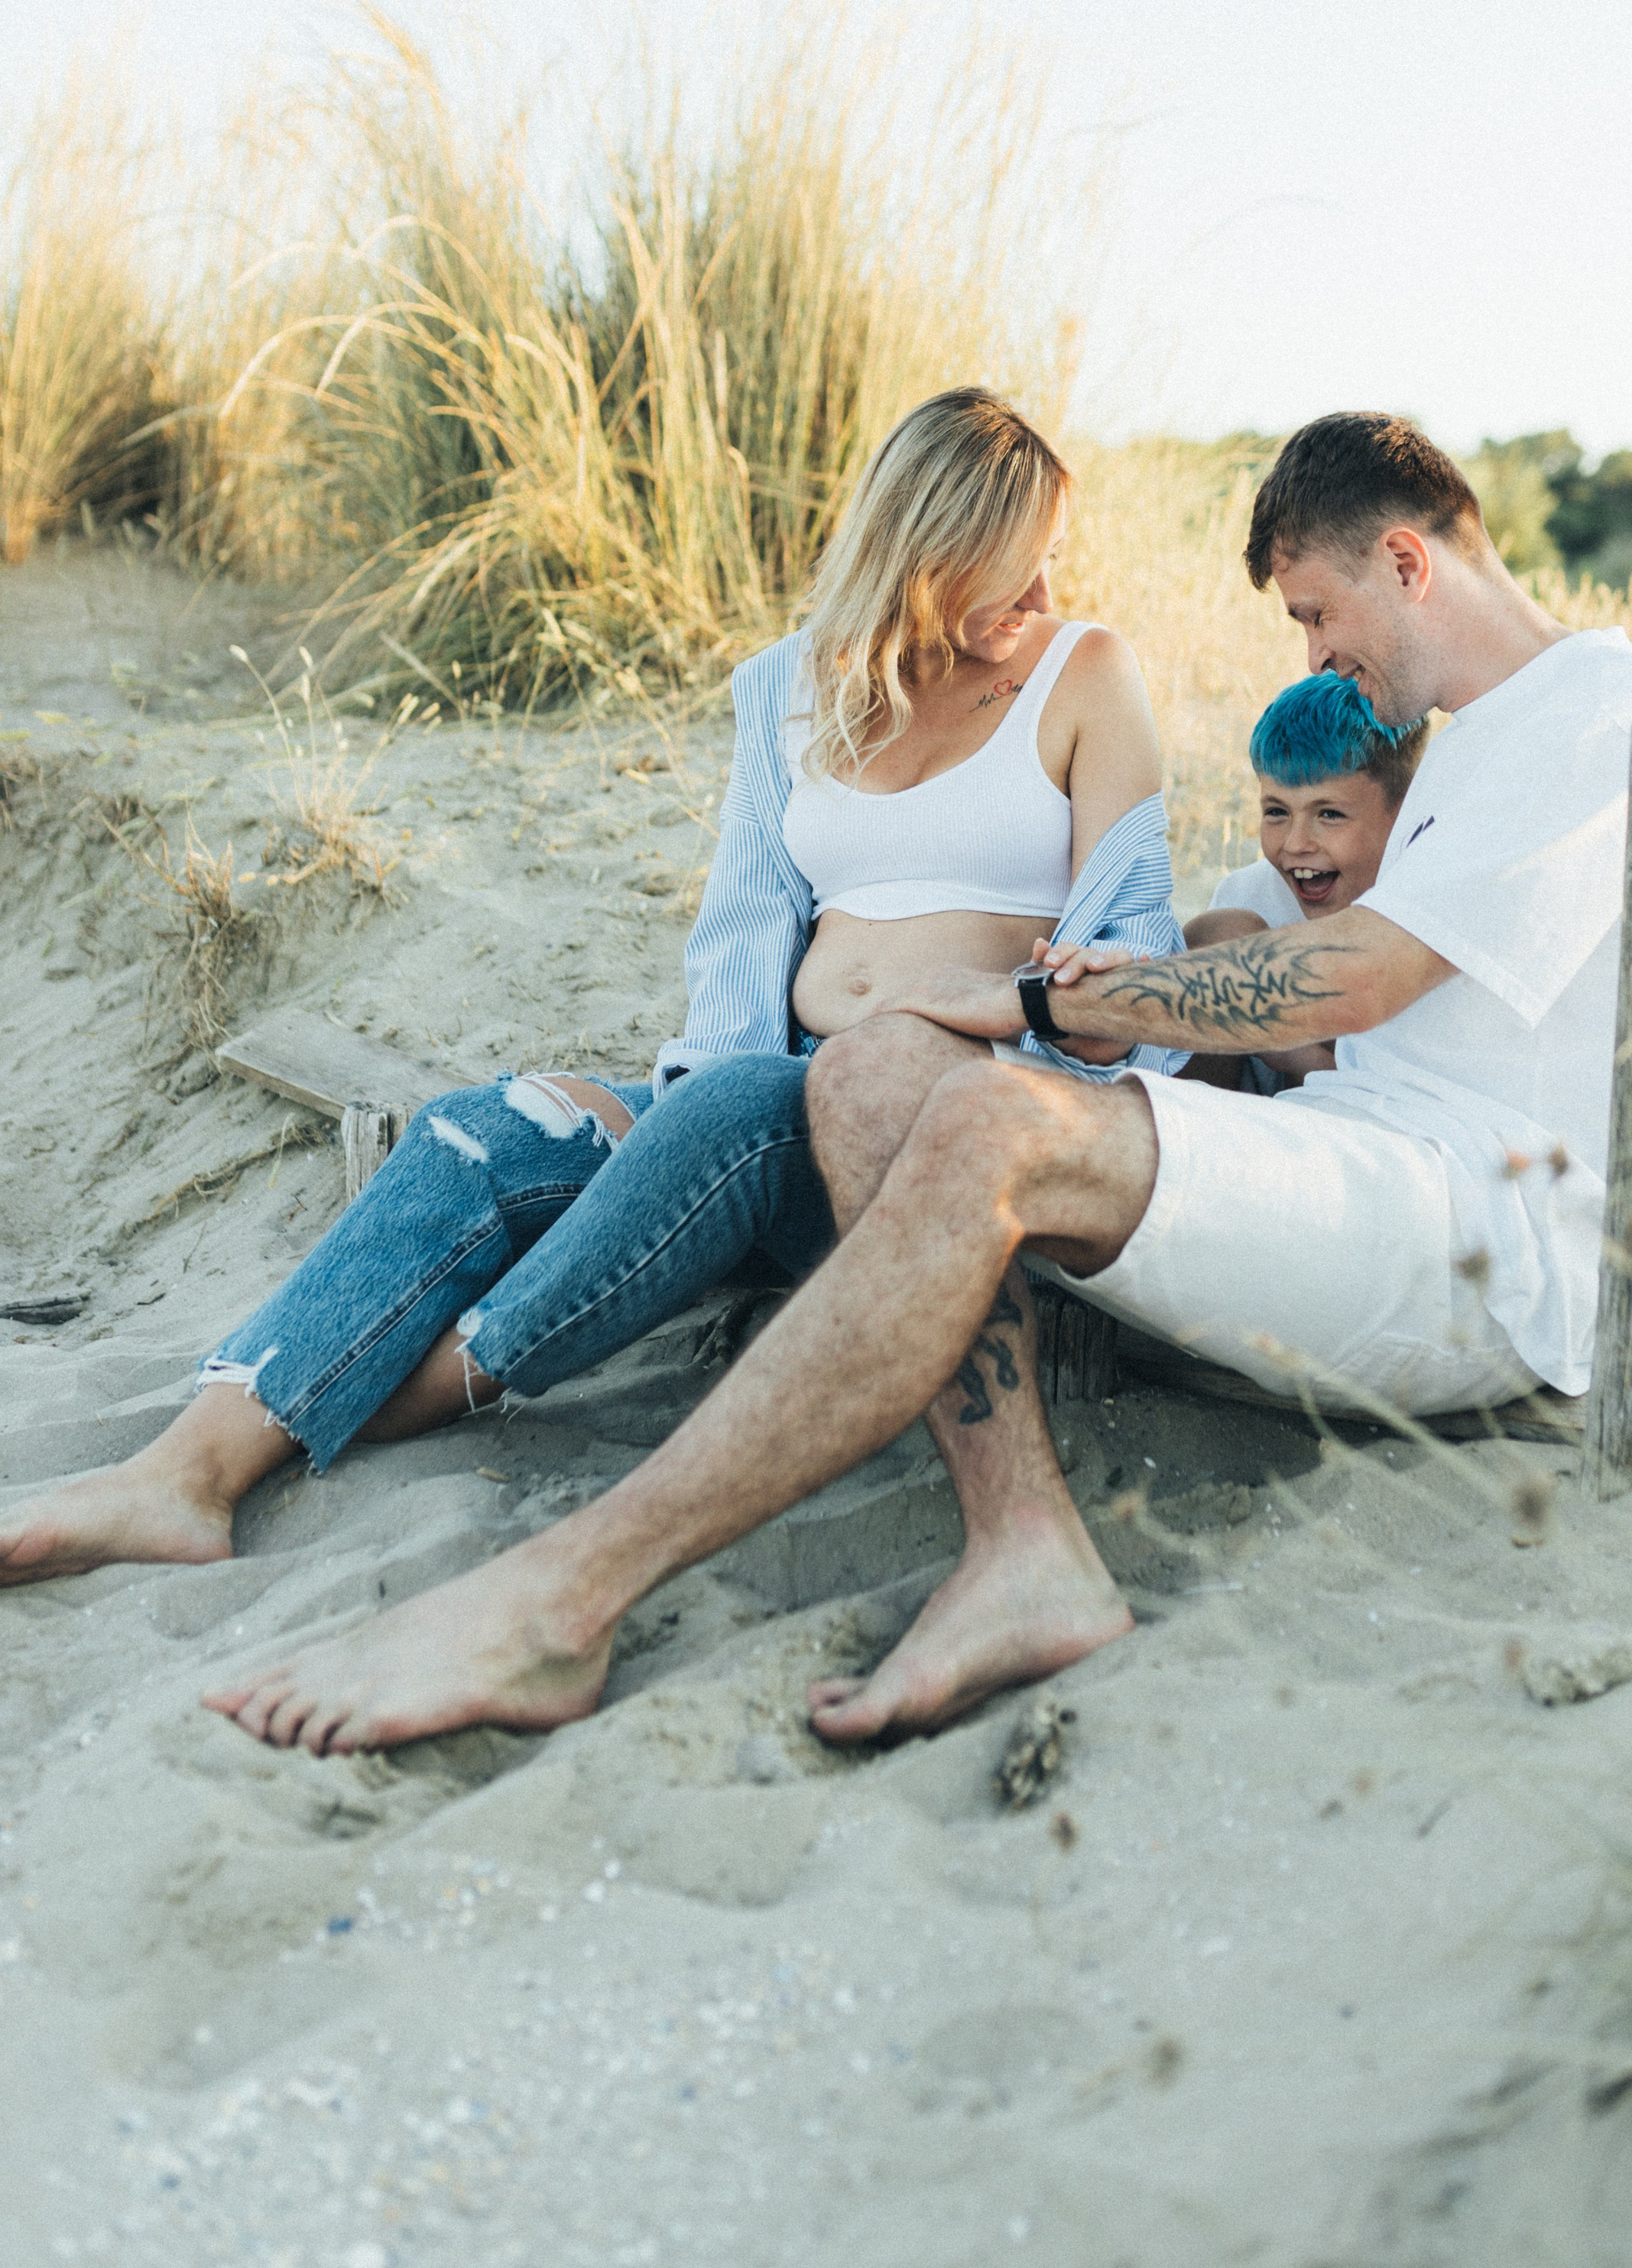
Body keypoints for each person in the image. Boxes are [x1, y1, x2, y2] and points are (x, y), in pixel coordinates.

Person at [97, 409, 1632, 1763]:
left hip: (1473, 1235)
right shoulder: (1468, 748)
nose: (1315, 653)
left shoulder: (1615, 712)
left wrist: (1046, 998)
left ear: (1407, 559)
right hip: (1342, 1160)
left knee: (982, 1110)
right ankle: (1023, 1548)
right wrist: (1146, 965)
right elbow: (1295, 946)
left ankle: (559, 1596)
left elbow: (1358, 978)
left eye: (1317, 614)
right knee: (888, 1068)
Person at [0, 387, 1179, 1584]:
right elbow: (744, 930)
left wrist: (1078, 1012)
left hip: (937, 1116)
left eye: (1052, 563)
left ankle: (435, 1380)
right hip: (772, 1093)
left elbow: (1135, 940)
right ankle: (181, 1475)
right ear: (928, 551)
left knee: (730, 1113)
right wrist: (684, 1104)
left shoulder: (1083, 672)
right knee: (484, 1129)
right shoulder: (791, 687)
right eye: (1017, 568)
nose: (1043, 595)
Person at [1179, 670, 1429, 1089]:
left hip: (1379, 1115)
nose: (1295, 845)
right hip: (1246, 1114)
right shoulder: (1248, 897)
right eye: (1276, 812)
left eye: (1329, 814)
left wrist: (1293, 1051)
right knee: (1220, 937)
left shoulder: (1426, 908)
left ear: (1405, 812)